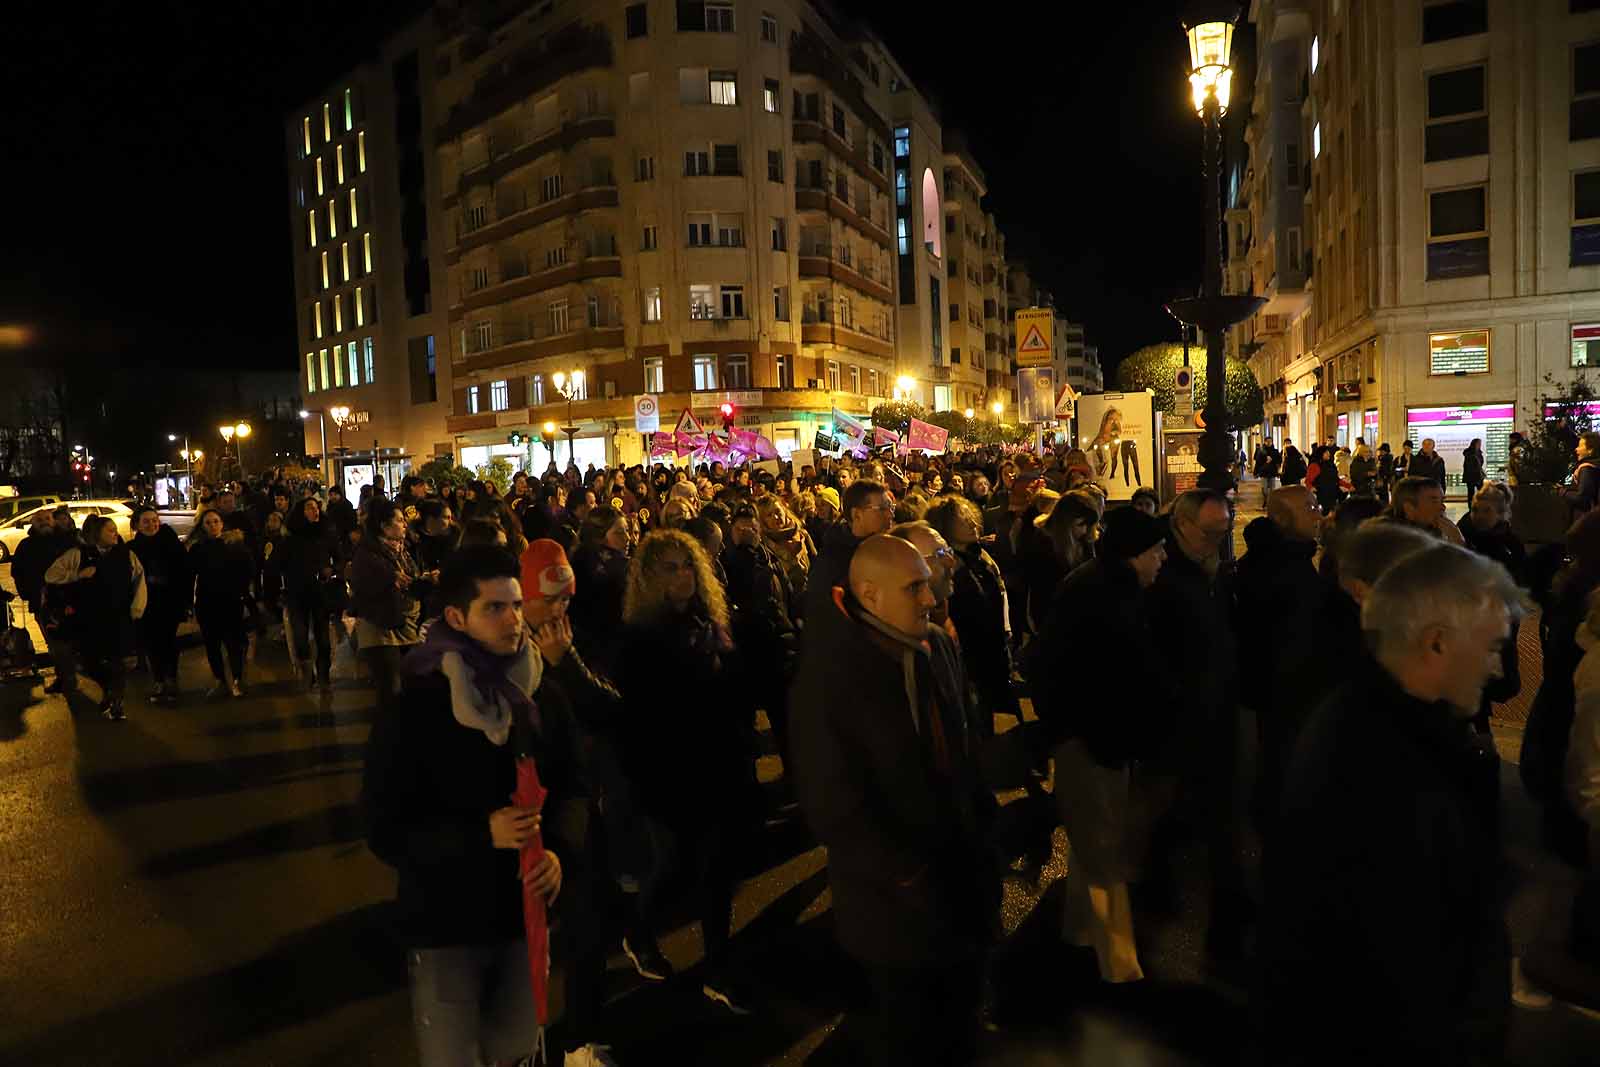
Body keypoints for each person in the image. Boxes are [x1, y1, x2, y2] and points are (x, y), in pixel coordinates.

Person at [1262, 543, 1527, 1065]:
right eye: (1491, 645)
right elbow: (1401, 959)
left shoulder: (1389, 729)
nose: (1497, 668)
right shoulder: (1379, 763)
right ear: (1436, 643)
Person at [789, 534, 999, 1065]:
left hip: (962, 885)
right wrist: (907, 874)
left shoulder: (937, 644)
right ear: (870, 594)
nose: (930, 599)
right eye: (914, 588)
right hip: (895, 910)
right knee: (910, 1036)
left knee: (962, 1023)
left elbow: (961, 740)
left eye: (927, 584)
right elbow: (834, 805)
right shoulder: (828, 679)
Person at [361, 544, 572, 1067]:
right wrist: (483, 834)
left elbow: (569, 786)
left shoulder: (536, 690)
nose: (514, 620)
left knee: (518, 1054)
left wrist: (560, 856)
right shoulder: (417, 706)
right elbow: (384, 829)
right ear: (457, 617)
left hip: (522, 919)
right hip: (446, 927)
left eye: (517, 605)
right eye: (494, 608)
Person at [614, 529, 759, 1013]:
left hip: (717, 766)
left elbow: (735, 689)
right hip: (669, 774)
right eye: (671, 568)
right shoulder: (639, 638)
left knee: (718, 873)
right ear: (651, 578)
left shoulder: (711, 621)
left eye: (688, 566)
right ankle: (638, 931)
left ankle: (718, 967)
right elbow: (639, 717)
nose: (683, 576)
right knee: (672, 867)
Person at [1032, 507, 1171, 986]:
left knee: (1096, 845)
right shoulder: (1100, 594)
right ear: (1135, 554)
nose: (1163, 559)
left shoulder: (1114, 587)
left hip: (1102, 738)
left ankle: (1079, 938)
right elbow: (1071, 675)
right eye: (1157, 551)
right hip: (1092, 741)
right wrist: (1082, 734)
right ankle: (1117, 966)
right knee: (1103, 849)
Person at [517, 539, 627, 1066]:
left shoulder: (575, 642)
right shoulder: (504, 656)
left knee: (587, 926)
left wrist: (567, 664)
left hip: (576, 809)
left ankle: (582, 1039)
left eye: (566, 599)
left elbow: (610, 710)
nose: (559, 610)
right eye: (549, 600)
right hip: (520, 818)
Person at [1145, 488, 1248, 956]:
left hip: (1214, 711)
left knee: (1215, 807)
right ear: (1181, 525)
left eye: (1224, 529)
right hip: (1180, 719)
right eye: (1209, 531)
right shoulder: (1165, 579)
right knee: (1173, 807)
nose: (1217, 538)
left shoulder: (1209, 571)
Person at [1233, 486, 1325, 834]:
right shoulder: (1279, 568)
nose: (1317, 513)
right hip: (1285, 693)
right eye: (1309, 508)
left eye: (1316, 505)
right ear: (1281, 518)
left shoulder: (1292, 560)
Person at [926, 495, 1018, 730]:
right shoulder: (946, 566)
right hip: (968, 663)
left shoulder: (979, 557)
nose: (972, 523)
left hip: (989, 656)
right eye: (962, 519)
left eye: (972, 517)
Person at [44, 514, 147, 720]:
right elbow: (51, 575)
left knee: (118, 660)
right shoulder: (78, 554)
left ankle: (117, 701)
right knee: (89, 660)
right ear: (97, 533)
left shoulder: (126, 554)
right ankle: (108, 689)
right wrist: (77, 576)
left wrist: (137, 609)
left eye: (115, 529)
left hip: (118, 616)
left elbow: (139, 581)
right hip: (88, 618)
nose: (114, 533)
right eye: (110, 530)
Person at [350, 499, 427, 705]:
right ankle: (386, 734)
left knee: (411, 688)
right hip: (380, 627)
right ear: (384, 526)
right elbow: (362, 588)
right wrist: (390, 579)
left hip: (406, 623)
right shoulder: (365, 553)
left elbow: (411, 578)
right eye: (400, 520)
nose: (404, 524)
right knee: (391, 691)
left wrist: (424, 579)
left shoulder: (404, 548)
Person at [803, 479, 895, 632]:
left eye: (891, 507)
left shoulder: (888, 548)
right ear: (857, 515)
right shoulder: (831, 561)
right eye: (883, 508)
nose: (890, 514)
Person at [188, 508, 255, 697]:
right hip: (207, 602)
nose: (213, 526)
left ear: (222, 523)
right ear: (202, 526)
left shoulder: (234, 545)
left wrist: (242, 592)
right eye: (208, 522)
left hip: (231, 601)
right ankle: (219, 680)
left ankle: (237, 678)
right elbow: (190, 575)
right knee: (212, 644)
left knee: (233, 642)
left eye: (216, 521)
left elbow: (248, 569)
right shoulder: (198, 548)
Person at [129, 505, 190, 705]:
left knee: (168, 641)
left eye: (154, 520)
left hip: (169, 601)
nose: (151, 524)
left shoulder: (170, 543)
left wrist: (185, 601)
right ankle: (159, 681)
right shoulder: (132, 549)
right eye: (146, 521)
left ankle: (171, 679)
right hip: (145, 603)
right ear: (137, 524)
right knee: (151, 643)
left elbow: (184, 573)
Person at [280, 496, 342, 690]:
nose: (314, 511)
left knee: (323, 638)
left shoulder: (326, 533)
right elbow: (277, 565)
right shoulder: (291, 538)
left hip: (320, 592)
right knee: (300, 636)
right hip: (297, 593)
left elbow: (339, 558)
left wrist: (331, 569)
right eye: (309, 508)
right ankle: (306, 671)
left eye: (316, 508)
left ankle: (323, 674)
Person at [568, 506, 631, 676]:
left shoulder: (574, 561)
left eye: (627, 531)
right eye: (619, 533)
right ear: (599, 537)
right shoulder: (621, 568)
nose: (628, 538)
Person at [1390, 475, 1466, 545]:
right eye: (1434, 502)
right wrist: (1458, 543)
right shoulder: (1400, 548)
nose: (1443, 507)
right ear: (1409, 509)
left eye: (1442, 501)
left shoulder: (1436, 535)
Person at [1565, 431, 1600, 515]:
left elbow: (1582, 499)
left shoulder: (1586, 469)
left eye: (1580, 446)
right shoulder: (1595, 466)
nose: (1576, 449)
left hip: (1584, 518)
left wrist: (1563, 492)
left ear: (1590, 450)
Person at [1463, 438, 1486, 503]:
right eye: (1479, 443)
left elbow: (1480, 464)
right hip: (1471, 476)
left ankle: (1480, 506)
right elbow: (1470, 466)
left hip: (1478, 476)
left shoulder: (1479, 453)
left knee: (1481, 492)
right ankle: (1471, 508)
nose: (1480, 445)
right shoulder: (1469, 453)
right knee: (1471, 493)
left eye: (1480, 444)